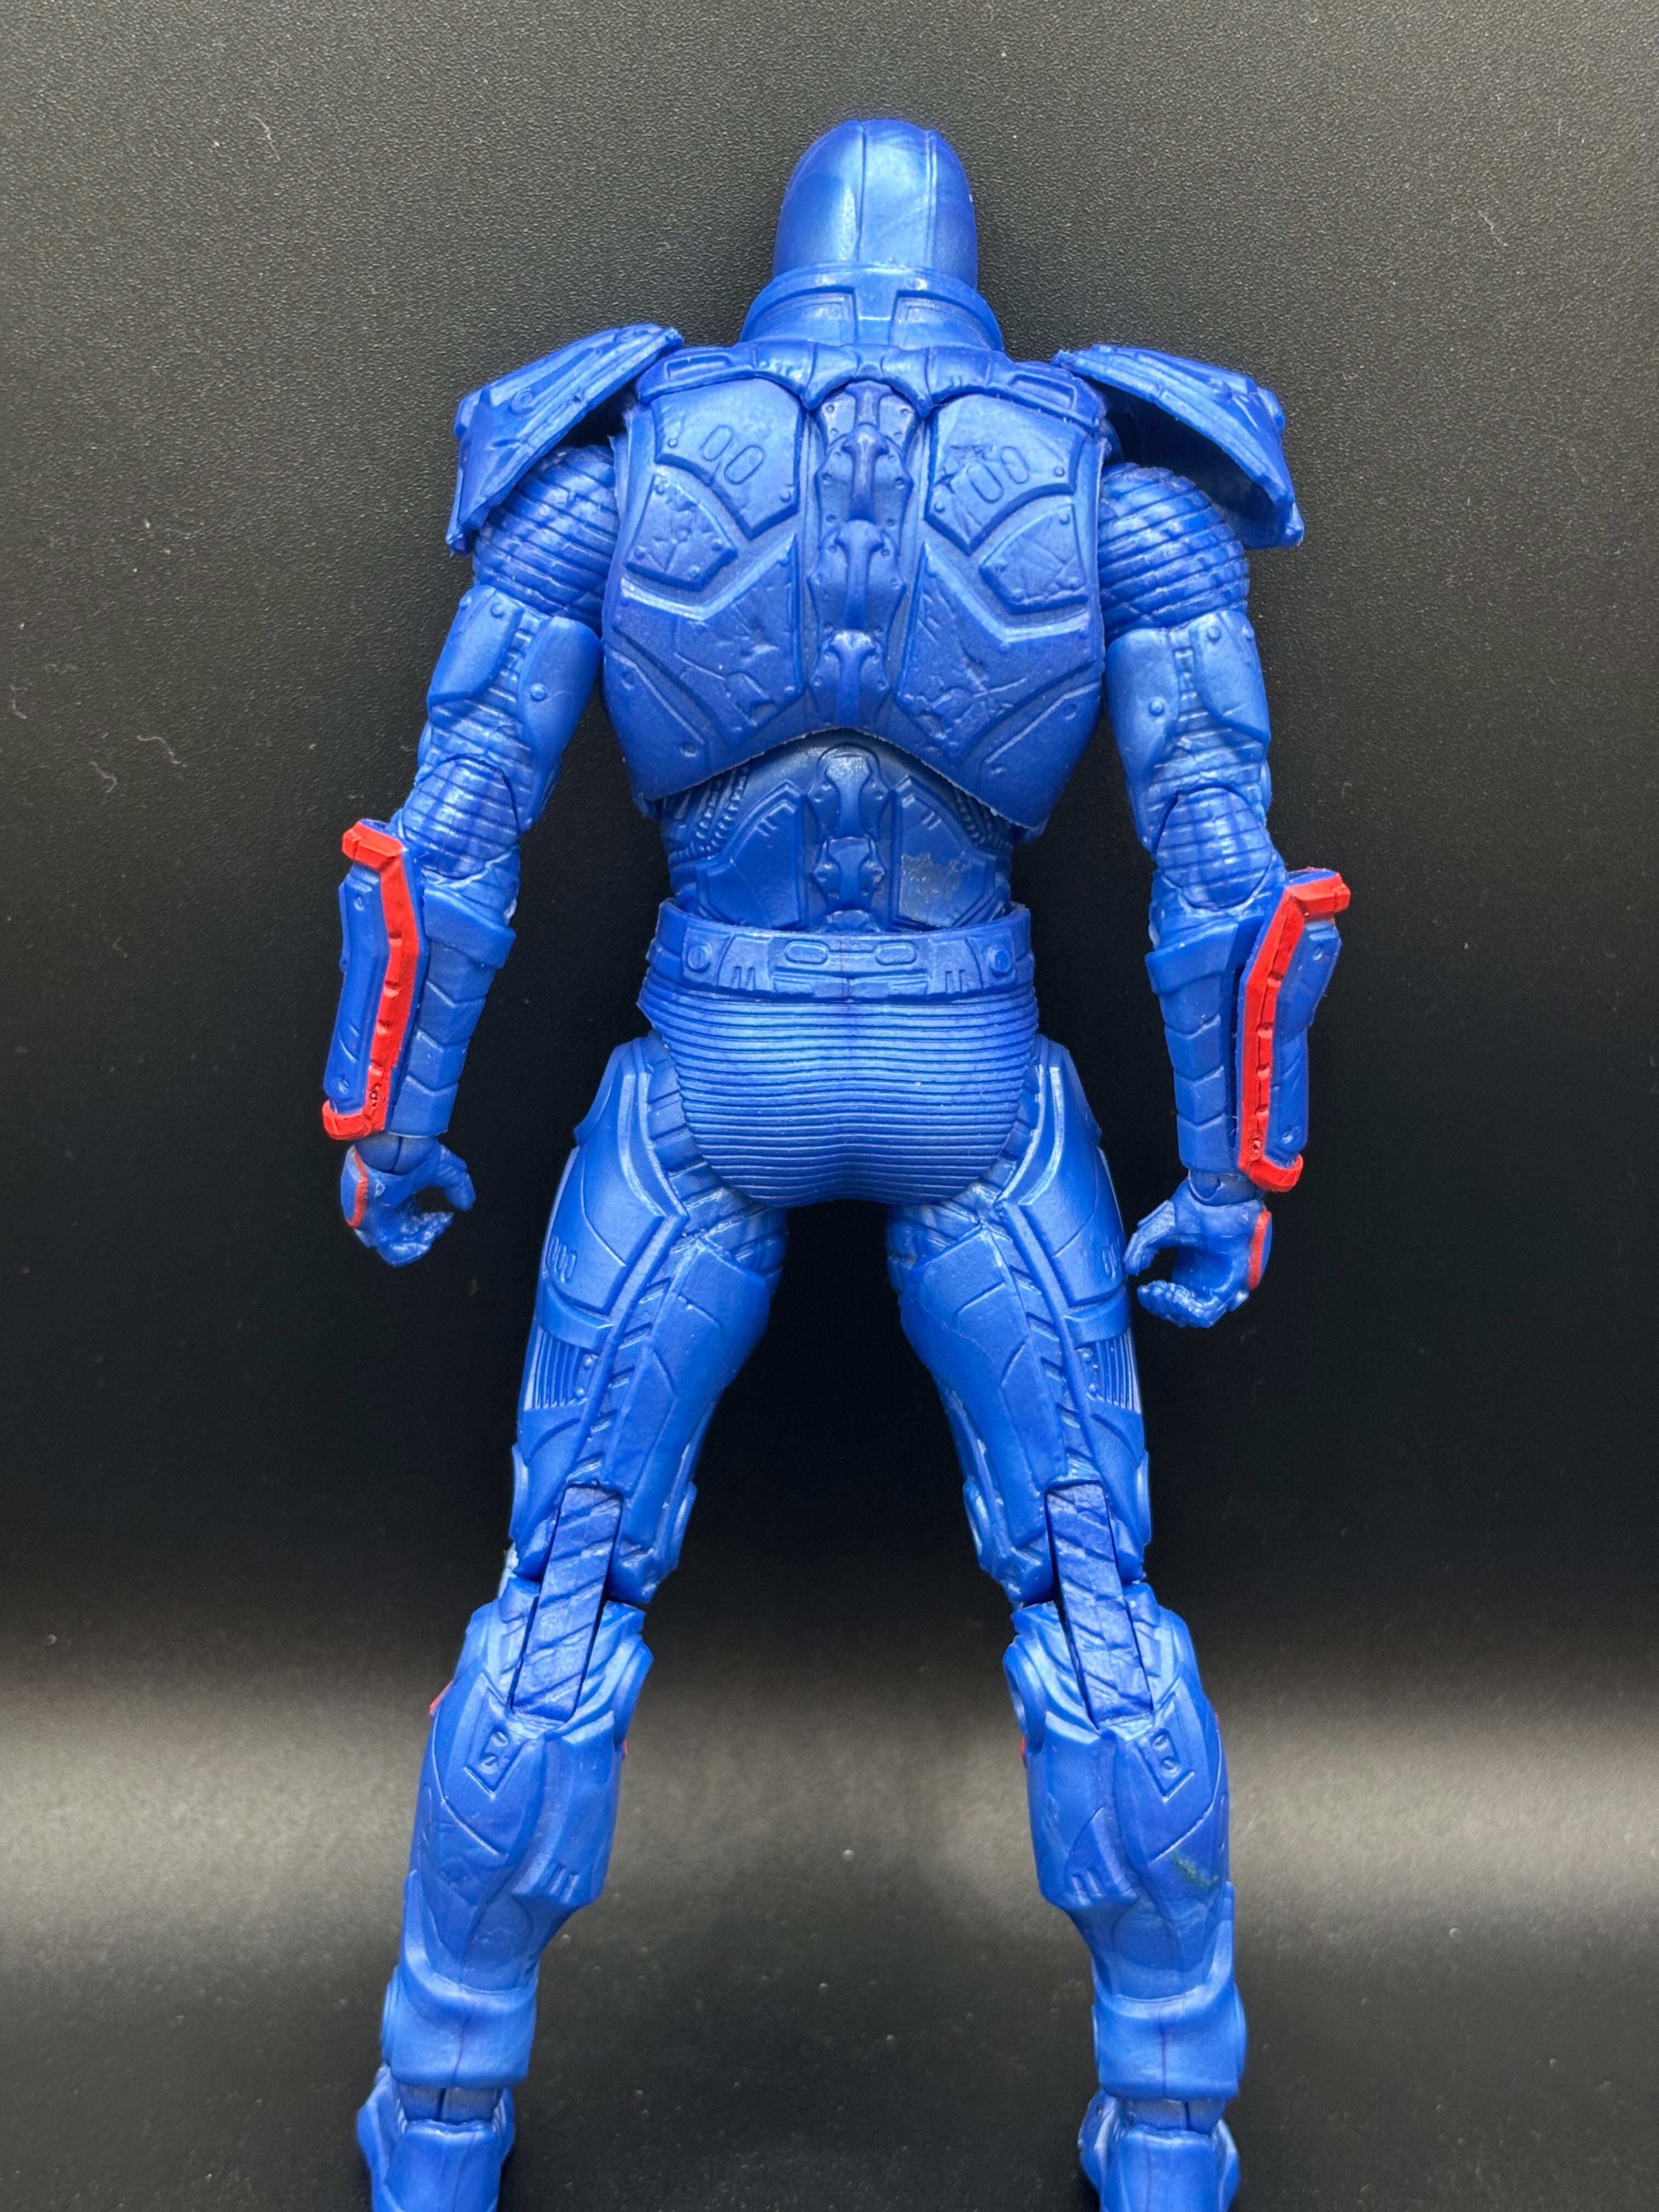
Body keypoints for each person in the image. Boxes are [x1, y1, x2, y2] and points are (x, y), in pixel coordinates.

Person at [322, 116, 1346, 2212]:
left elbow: (446, 835)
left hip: (715, 1070)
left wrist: (394, 1122)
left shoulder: (611, 462)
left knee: (564, 1587)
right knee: (1092, 1590)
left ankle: (439, 2112)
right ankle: (1173, 2119)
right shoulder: (1118, 488)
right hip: (974, 1079)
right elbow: (1226, 878)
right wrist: (1237, 1173)